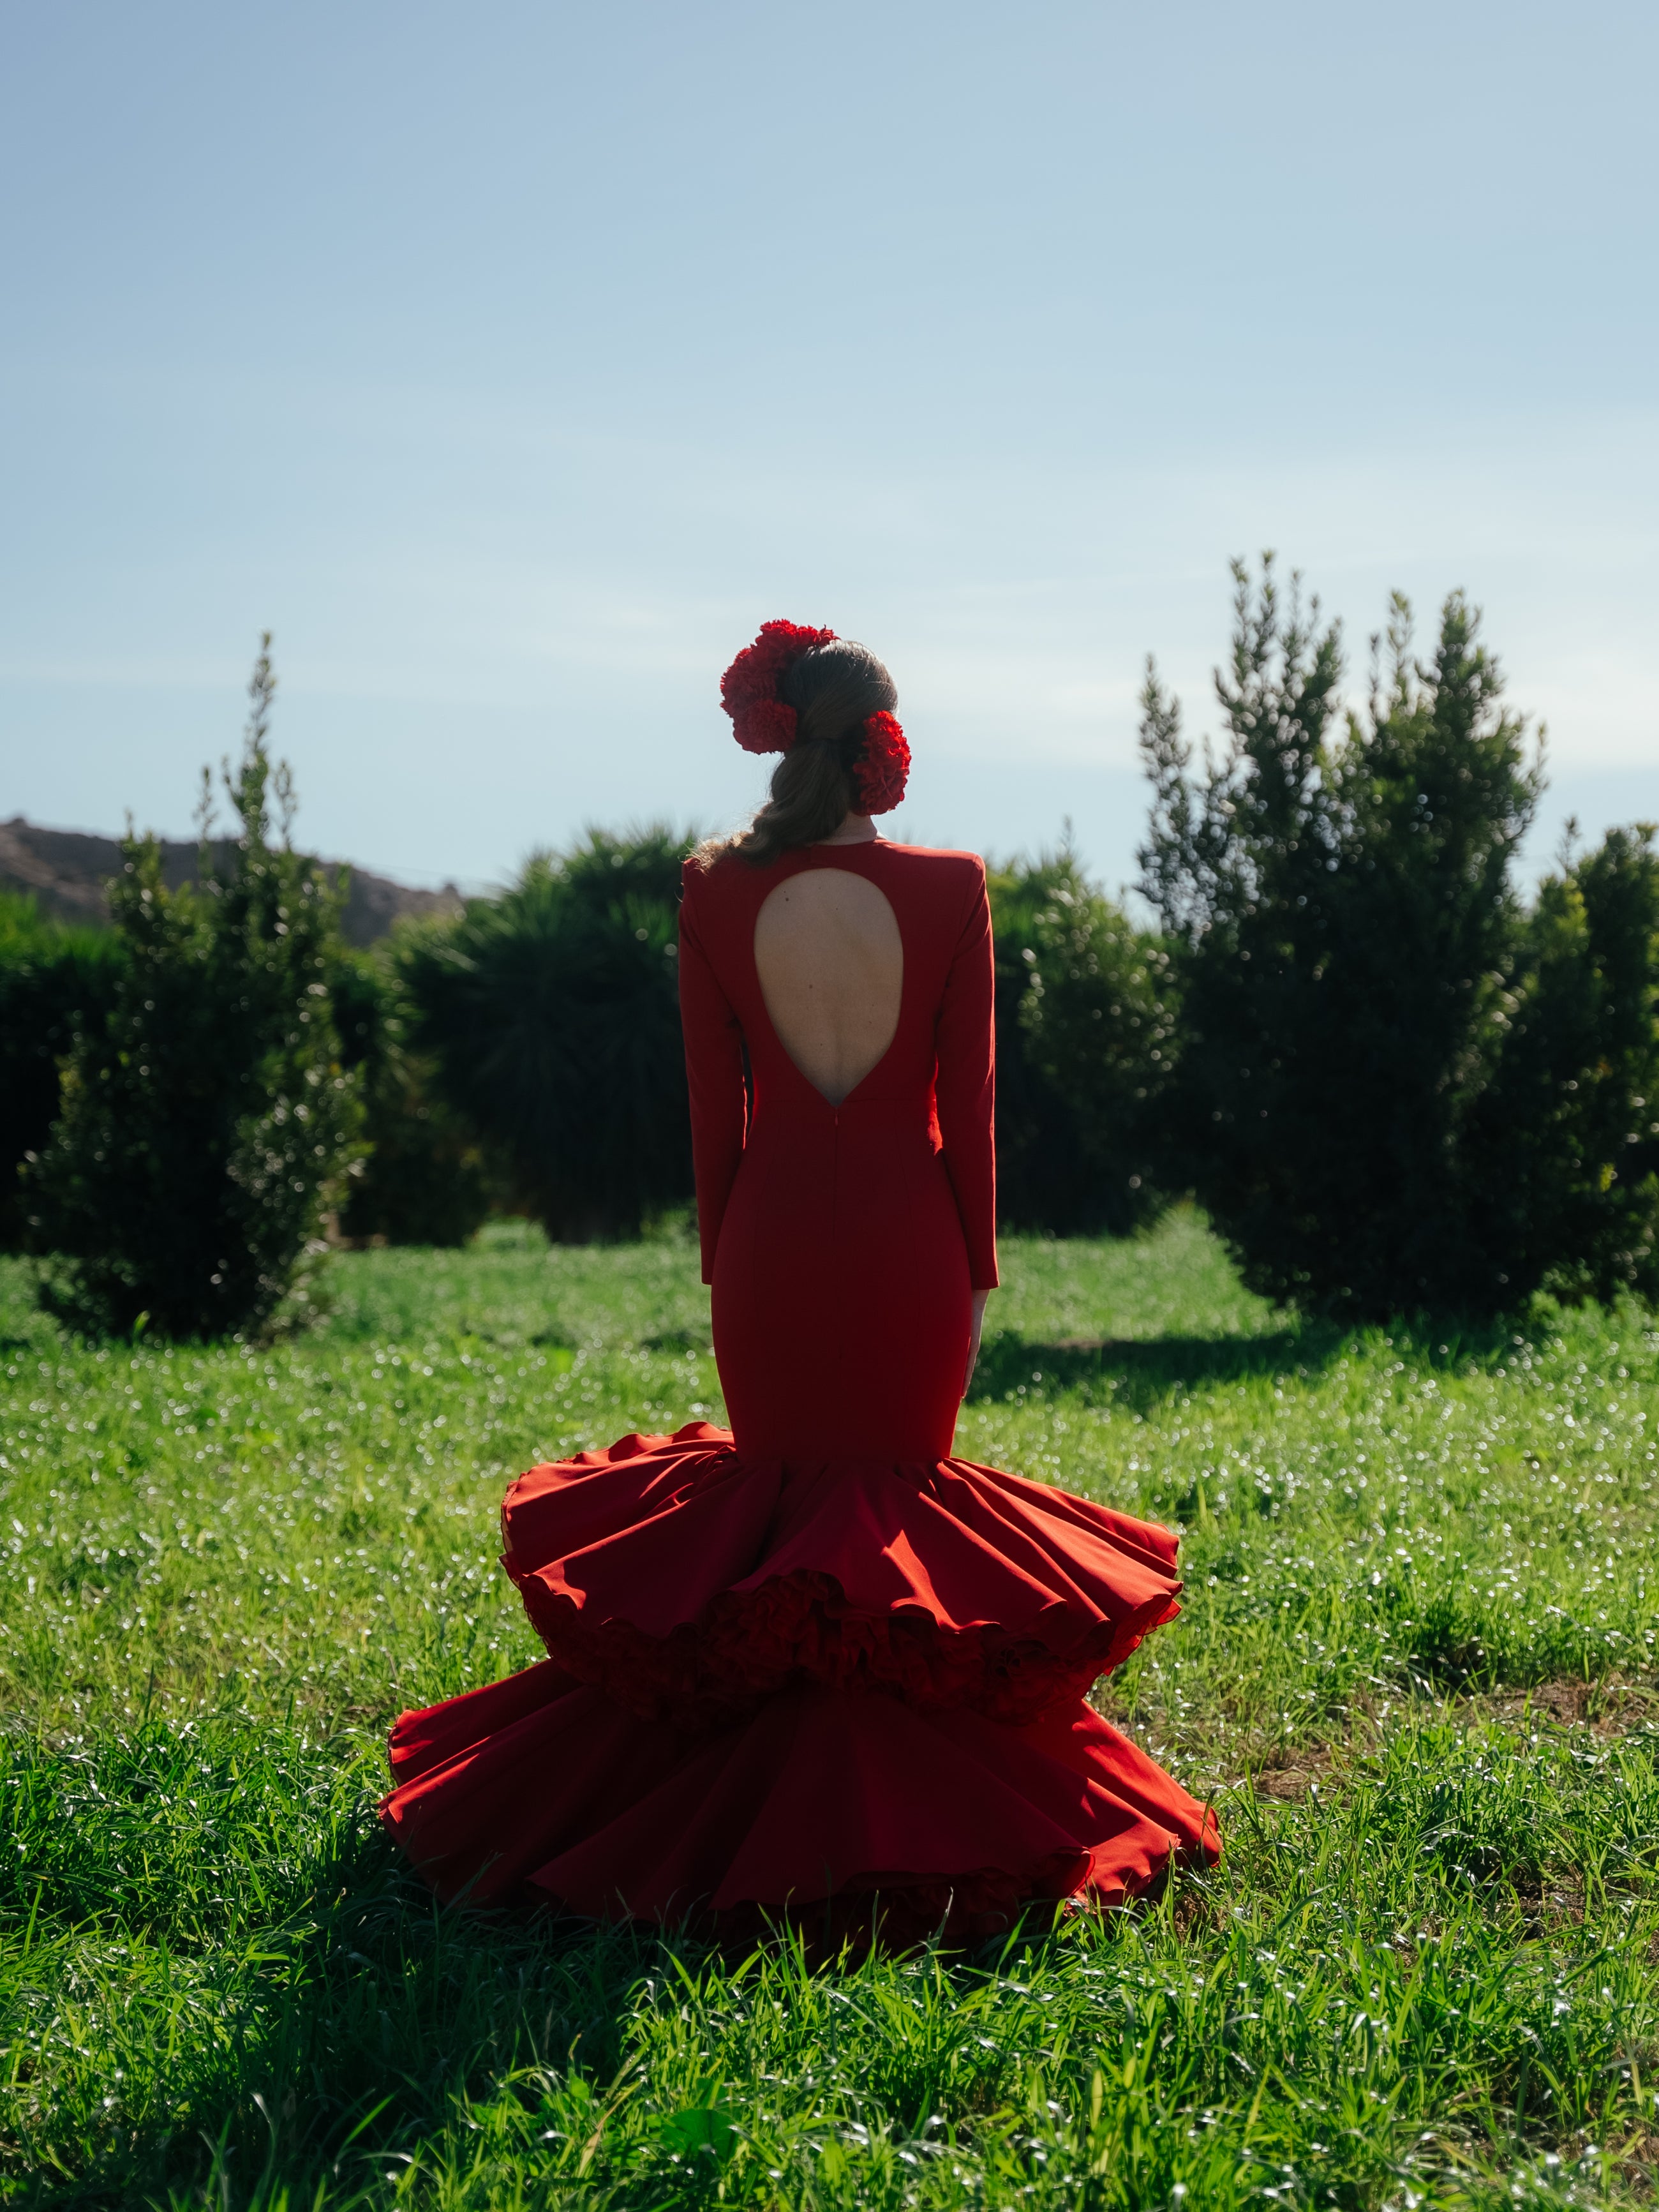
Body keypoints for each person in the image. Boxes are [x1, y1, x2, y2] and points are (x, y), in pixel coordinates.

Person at [381, 620, 1219, 1948]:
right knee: (888, 1513)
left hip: (770, 1238)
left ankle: (749, 1808)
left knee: (780, 1511)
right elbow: (971, 1108)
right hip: (910, 1240)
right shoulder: (952, 885)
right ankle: (897, 1813)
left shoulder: (712, 887)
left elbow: (717, 1113)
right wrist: (977, 1262)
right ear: (881, 740)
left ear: (783, 731)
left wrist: (727, 1251)